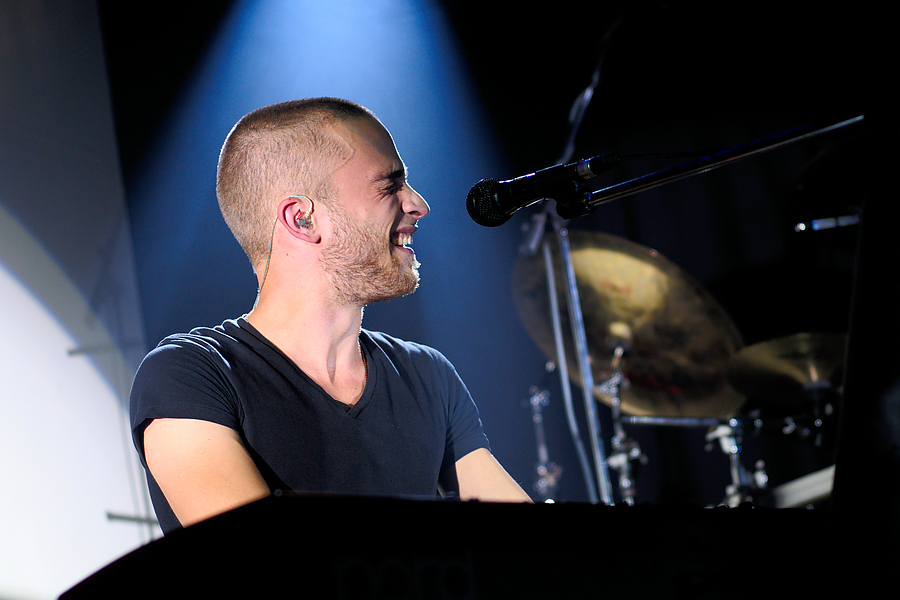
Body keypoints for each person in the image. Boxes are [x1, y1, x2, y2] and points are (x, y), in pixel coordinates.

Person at [130, 98, 531, 534]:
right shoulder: (191, 376)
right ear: (302, 219)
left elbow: (526, 549)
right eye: (389, 185)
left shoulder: (427, 375)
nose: (418, 204)